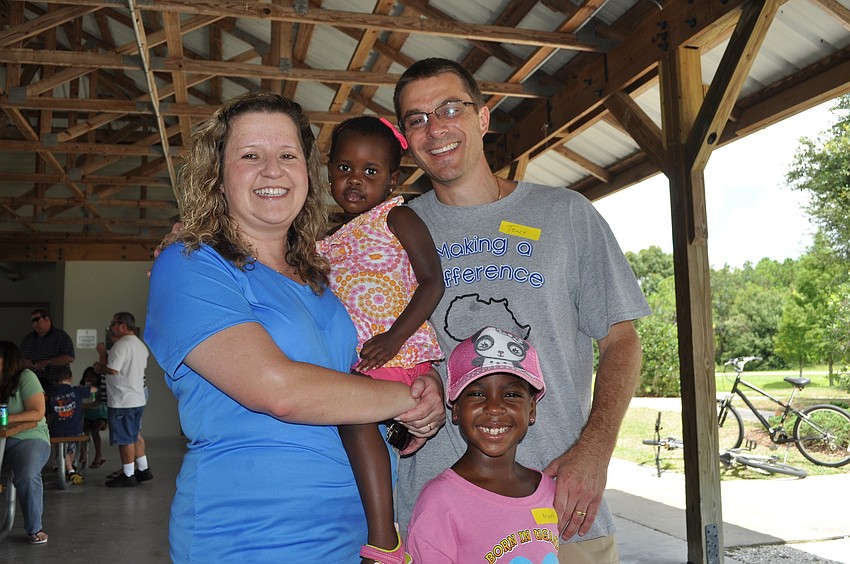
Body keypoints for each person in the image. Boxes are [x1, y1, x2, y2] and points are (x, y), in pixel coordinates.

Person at [144, 90, 445, 562]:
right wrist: (411, 399)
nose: (272, 170)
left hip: (358, 537)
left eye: (287, 155)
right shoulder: (190, 265)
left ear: (307, 172)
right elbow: (278, 389)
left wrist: (423, 377)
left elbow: (360, 367)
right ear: (218, 177)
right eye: (249, 155)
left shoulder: (323, 278)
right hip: (254, 535)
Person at [392, 58, 652, 563]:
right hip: (441, 521)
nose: (435, 128)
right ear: (405, 137)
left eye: (450, 108)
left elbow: (621, 340)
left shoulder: (566, 215)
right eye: (417, 118)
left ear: (483, 118)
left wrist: (595, 450)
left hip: (563, 511)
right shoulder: (394, 232)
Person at [319, 115, 444, 562]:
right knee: (350, 422)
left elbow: (433, 281)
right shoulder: (327, 238)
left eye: (371, 172)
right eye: (344, 168)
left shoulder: (398, 216)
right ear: (328, 169)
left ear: (392, 179)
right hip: (365, 358)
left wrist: (394, 337)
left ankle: (384, 541)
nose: (355, 180)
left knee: (352, 418)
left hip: (398, 349)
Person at [407, 326, 559, 563]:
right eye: (477, 394)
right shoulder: (441, 500)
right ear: (455, 409)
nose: (494, 407)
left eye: (511, 395)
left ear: (532, 409)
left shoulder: (548, 490)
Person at [93, 312, 152, 488]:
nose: (111, 327)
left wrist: (99, 367)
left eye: (113, 323)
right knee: (134, 435)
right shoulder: (141, 346)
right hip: (137, 397)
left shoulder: (121, 345)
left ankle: (128, 474)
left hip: (122, 399)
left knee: (125, 438)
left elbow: (112, 370)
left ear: (123, 326)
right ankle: (143, 469)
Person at [0, 341, 51, 544]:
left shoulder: (26, 377)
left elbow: (38, 412)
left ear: (8, 360)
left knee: (27, 474)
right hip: (4, 438)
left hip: (30, 439)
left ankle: (34, 528)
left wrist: (5, 420)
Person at [45, 365, 94, 485]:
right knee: (72, 449)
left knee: (63, 450)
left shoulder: (51, 395)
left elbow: (50, 414)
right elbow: (92, 390)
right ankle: (71, 470)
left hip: (57, 430)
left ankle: (69, 469)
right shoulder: (76, 391)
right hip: (75, 430)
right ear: (70, 378)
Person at [19, 308, 75, 395]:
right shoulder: (28, 340)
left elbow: (69, 358)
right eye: (32, 321)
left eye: (37, 320)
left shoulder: (61, 336)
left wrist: (48, 362)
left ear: (47, 319)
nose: (34, 323)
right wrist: (29, 364)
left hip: (57, 384)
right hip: (34, 384)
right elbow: (19, 359)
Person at [79, 365, 107, 469]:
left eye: (92, 376)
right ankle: (83, 453)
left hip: (100, 415)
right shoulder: (82, 388)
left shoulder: (99, 389)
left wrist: (84, 406)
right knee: (83, 430)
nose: (89, 379)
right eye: (86, 376)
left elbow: (97, 402)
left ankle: (98, 454)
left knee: (95, 429)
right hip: (87, 415)